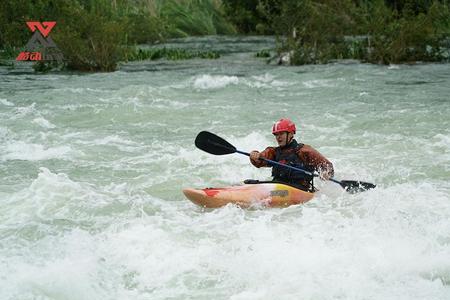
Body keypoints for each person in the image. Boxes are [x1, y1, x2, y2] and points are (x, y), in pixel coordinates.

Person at [249, 118, 334, 192]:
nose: (278, 137)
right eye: (276, 135)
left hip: (300, 189)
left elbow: (327, 166)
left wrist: (325, 173)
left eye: (281, 134)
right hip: (277, 187)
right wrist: (255, 156)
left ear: (290, 134)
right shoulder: (274, 152)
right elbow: (260, 160)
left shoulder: (305, 151)